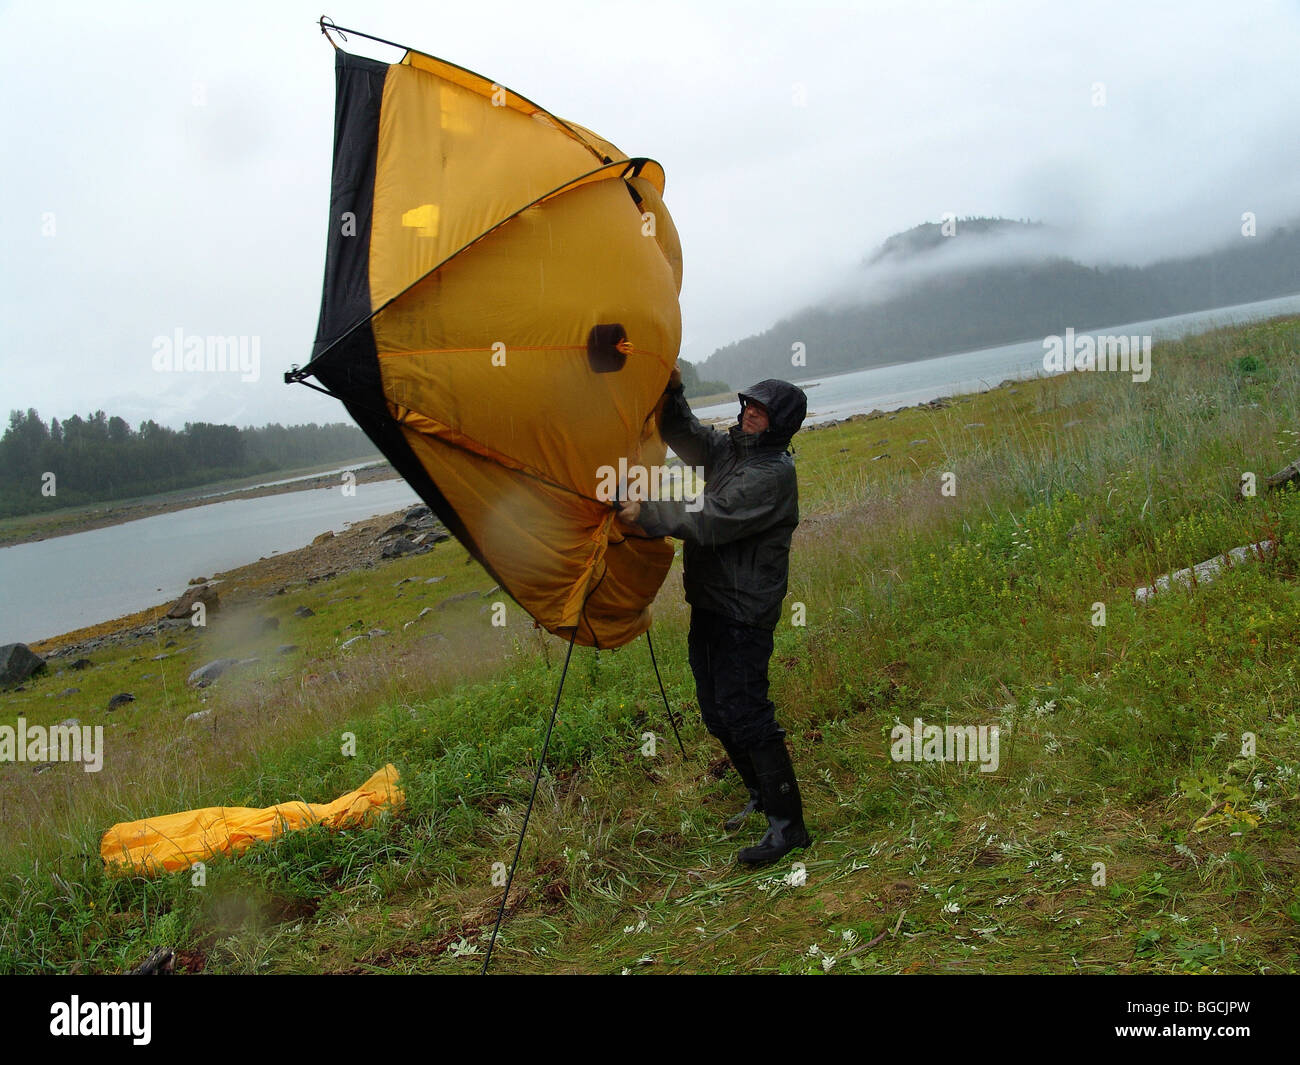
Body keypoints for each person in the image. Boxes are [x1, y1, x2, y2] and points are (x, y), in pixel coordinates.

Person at [617, 368, 810, 865]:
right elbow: (684, 433)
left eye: (761, 411)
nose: (749, 413)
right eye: (749, 405)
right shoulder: (730, 452)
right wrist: (670, 386)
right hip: (709, 604)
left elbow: (710, 517)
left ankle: (788, 826)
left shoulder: (771, 475)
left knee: (747, 713)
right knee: (716, 710)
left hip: (744, 613)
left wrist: (646, 512)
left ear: (779, 424)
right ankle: (761, 797)